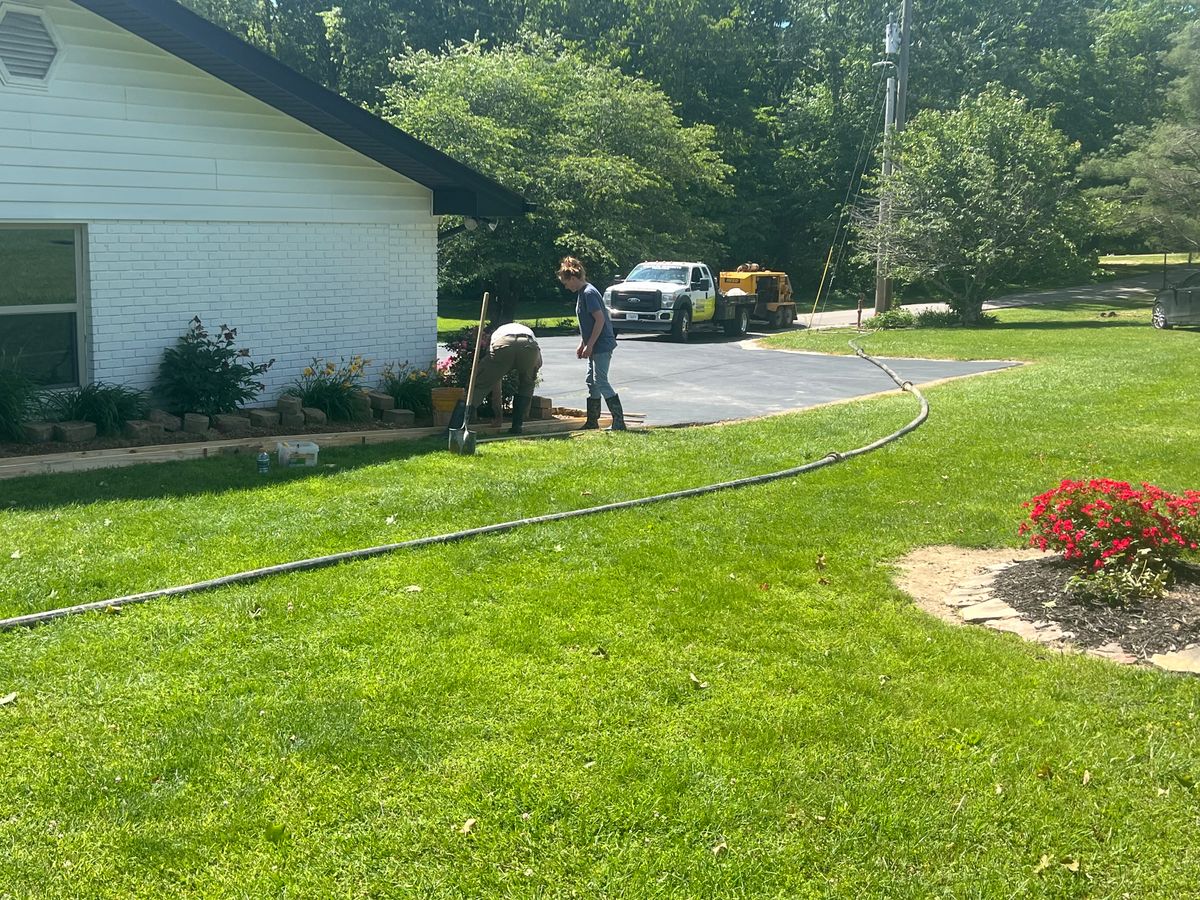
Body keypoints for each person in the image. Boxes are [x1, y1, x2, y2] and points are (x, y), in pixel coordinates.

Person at [557, 256, 625, 431]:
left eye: (566, 282)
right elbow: (587, 323)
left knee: (601, 380)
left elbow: (600, 320)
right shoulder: (582, 293)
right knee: (591, 382)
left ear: (572, 278)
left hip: (602, 345)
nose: (565, 286)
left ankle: (619, 422)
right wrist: (583, 343)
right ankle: (592, 421)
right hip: (594, 344)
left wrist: (590, 345)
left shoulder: (589, 293)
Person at [472, 321, 543, 435]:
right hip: (529, 344)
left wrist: (498, 416)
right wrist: (530, 375)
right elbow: (539, 362)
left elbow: (494, 383)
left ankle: (457, 425)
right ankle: (517, 426)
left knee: (480, 385)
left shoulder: (496, 335)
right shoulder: (527, 331)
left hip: (503, 343)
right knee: (527, 384)